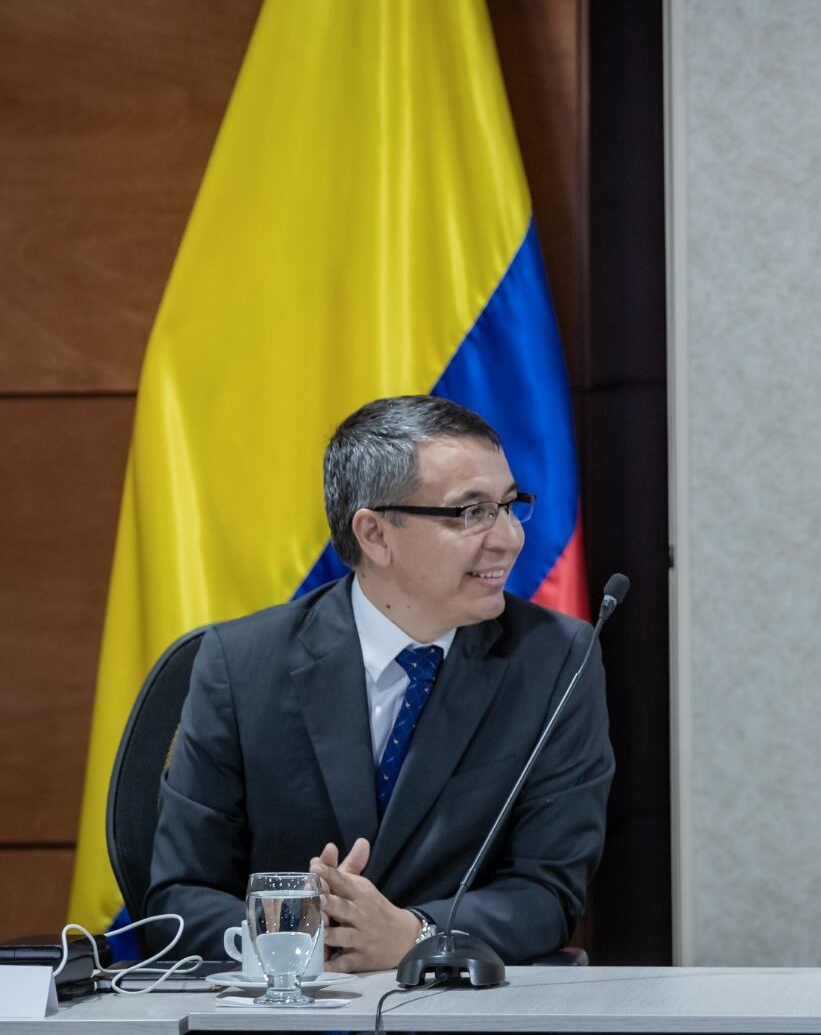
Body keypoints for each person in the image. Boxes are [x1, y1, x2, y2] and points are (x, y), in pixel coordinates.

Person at [147, 395, 614, 970]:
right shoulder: (241, 666)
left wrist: (414, 933)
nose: (509, 538)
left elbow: (548, 892)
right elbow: (179, 896)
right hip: (289, 1014)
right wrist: (313, 933)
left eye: (510, 505)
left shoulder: (555, 661)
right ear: (374, 535)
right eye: (472, 513)